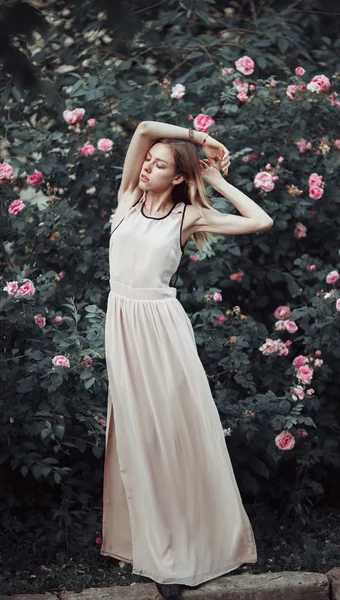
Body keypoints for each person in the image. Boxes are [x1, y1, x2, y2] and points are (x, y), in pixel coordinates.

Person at [100, 120, 274, 599]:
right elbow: (143, 129)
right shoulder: (127, 201)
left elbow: (260, 220)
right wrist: (202, 139)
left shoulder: (187, 217)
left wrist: (215, 179)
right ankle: (148, 545)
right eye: (147, 162)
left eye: (159, 166)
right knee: (137, 434)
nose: (146, 169)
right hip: (124, 325)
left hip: (162, 328)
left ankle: (186, 551)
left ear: (177, 178)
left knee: (174, 431)